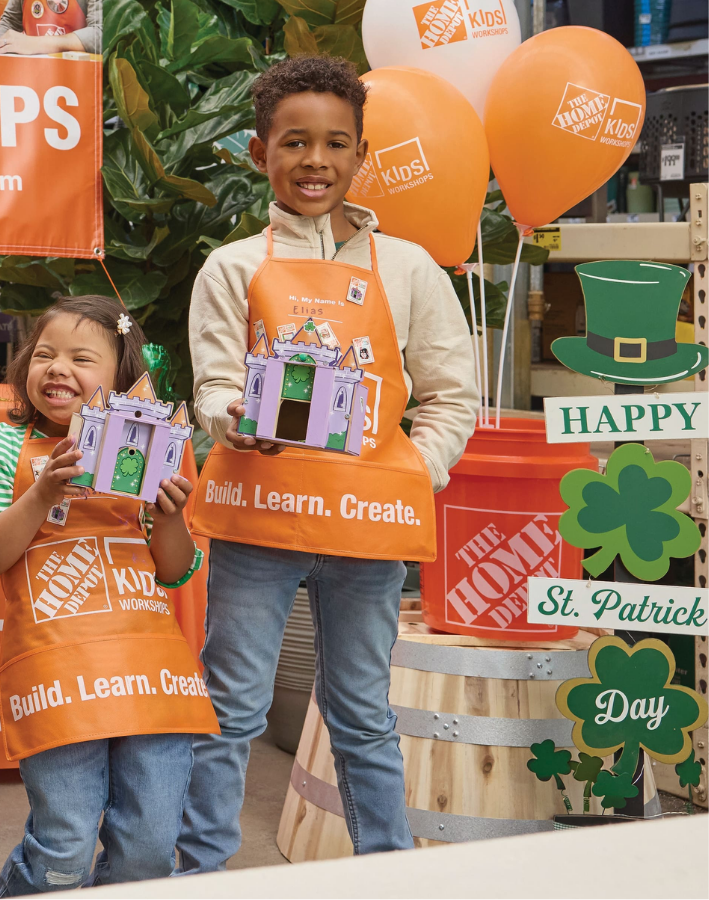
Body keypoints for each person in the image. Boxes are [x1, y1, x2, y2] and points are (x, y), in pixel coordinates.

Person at [178, 56, 479, 869]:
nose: (315, 160)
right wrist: (230, 418)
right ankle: (201, 870)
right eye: (294, 143)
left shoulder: (410, 268)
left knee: (361, 713)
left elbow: (454, 393)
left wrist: (418, 469)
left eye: (335, 144)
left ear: (360, 156)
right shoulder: (232, 268)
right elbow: (215, 381)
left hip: (367, 527)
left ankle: (388, 870)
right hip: (260, 521)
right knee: (231, 707)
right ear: (257, 152)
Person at [0, 296, 218, 895]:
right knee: (63, 851)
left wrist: (171, 516)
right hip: (56, 677)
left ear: (123, 381)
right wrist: (42, 493)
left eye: (82, 358)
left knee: (150, 852)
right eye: (44, 354)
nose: (57, 368)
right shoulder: (3, 446)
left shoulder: (152, 448)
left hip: (151, 678)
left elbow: (176, 573)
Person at [0, 0, 100, 55]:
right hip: (31, 76)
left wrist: (35, 44)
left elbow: (100, 33)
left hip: (78, 76)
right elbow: (10, 21)